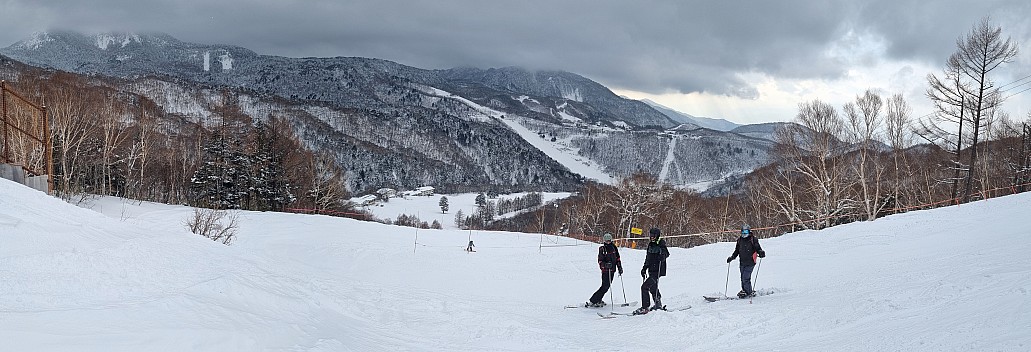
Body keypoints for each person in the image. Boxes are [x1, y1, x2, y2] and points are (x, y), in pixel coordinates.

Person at [634, 227, 669, 315]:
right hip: (651, 269)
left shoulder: (661, 243)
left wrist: (662, 256)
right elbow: (648, 258)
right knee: (653, 287)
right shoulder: (650, 244)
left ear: (657, 235)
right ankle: (658, 304)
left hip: (658, 270)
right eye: (651, 235)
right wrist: (644, 268)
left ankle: (645, 307)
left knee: (644, 287)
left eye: (653, 235)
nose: (652, 237)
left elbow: (666, 253)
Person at [727, 224, 766, 298]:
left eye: (746, 232)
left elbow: (758, 248)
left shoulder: (753, 239)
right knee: (743, 277)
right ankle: (745, 290)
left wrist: (761, 252)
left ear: (749, 231)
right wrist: (732, 257)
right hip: (742, 262)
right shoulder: (739, 240)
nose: (744, 234)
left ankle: (749, 292)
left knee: (746, 278)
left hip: (750, 262)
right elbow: (737, 251)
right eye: (743, 232)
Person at [586, 233, 623, 307]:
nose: (608, 242)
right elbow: (600, 261)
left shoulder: (614, 247)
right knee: (604, 286)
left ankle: (598, 299)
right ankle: (593, 300)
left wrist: (619, 267)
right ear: (604, 241)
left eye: (609, 241)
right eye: (606, 241)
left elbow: (617, 258)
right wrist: (605, 265)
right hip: (606, 271)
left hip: (612, 270)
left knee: (607, 286)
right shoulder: (602, 249)